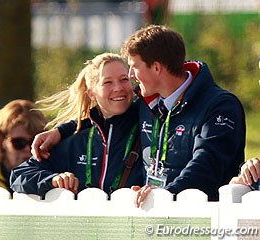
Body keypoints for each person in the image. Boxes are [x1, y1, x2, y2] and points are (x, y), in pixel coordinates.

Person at [31, 25, 246, 205]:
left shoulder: (220, 106)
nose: (131, 76)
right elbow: (107, 113)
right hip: (156, 215)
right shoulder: (147, 99)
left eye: (134, 67)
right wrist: (61, 130)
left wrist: (165, 195)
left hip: (202, 220)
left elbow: (207, 164)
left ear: (156, 68)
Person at [10, 53, 145, 197]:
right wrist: (54, 180)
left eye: (124, 79)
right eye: (107, 82)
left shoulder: (148, 128)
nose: (118, 88)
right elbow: (19, 175)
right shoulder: (76, 140)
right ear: (91, 93)